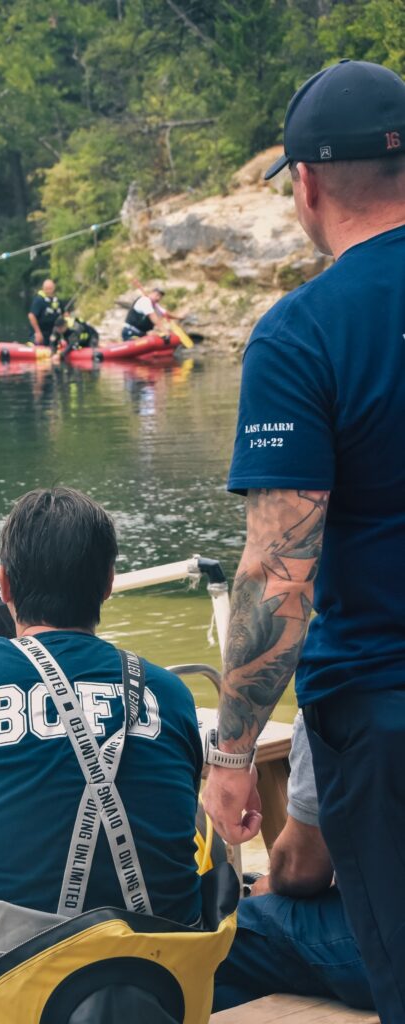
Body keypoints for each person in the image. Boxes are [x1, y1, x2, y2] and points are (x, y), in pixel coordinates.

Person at [201, 60, 405, 1022]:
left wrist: (232, 754)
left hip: (383, 717)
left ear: (307, 185)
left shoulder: (302, 334)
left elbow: (279, 572)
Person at [0, 487, 204, 927]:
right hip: (163, 977)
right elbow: (166, 810)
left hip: (2, 981)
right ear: (108, 584)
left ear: (4, 583)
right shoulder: (169, 691)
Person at [213, 713, 374, 1012]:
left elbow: (302, 869)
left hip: (380, 939)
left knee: (211, 944)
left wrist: (270, 883)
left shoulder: (334, 691)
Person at [28, 278, 62, 346]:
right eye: (47, 289)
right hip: (40, 333)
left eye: (50, 288)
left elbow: (64, 314)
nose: (49, 291)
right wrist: (38, 332)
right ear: (43, 289)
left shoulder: (57, 301)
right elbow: (31, 316)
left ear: (54, 288)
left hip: (52, 334)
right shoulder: (39, 300)